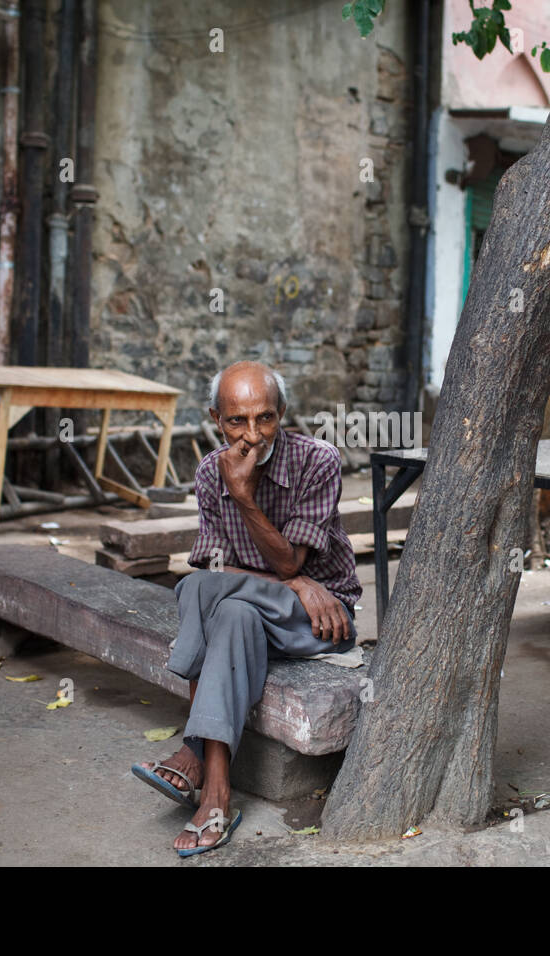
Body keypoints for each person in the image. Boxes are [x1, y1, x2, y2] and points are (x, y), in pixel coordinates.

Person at [132, 361, 361, 855]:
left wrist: (245, 495)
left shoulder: (317, 460)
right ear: (216, 418)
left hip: (319, 620)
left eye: (266, 419)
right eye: (237, 421)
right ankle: (216, 793)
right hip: (251, 613)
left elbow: (286, 561)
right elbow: (224, 570)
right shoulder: (207, 472)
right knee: (225, 606)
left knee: (197, 592)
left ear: (283, 413)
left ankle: (192, 747)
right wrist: (297, 581)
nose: (253, 436)